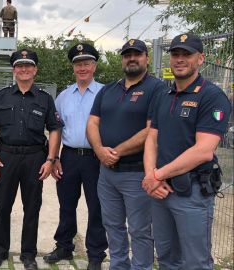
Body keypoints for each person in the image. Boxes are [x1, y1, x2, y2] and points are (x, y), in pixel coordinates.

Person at [143, 33, 231, 270]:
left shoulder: (212, 96)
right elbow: (152, 138)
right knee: (166, 257)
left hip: (192, 192)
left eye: (186, 54)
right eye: (175, 54)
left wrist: (156, 175)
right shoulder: (163, 94)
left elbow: (203, 151)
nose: (180, 59)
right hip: (161, 191)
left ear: (201, 58)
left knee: (195, 262)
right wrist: (151, 175)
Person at [86, 39, 165, 269]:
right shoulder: (108, 90)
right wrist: (100, 151)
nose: (131, 58)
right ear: (122, 59)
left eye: (137, 54)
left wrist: (116, 152)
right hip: (107, 173)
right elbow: (92, 123)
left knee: (140, 230)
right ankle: (118, 265)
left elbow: (153, 130)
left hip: (137, 173)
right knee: (113, 226)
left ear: (146, 58)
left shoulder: (156, 88)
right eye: (127, 54)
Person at [0, 49, 62, 270]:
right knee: (1, 206)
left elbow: (55, 130)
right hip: (6, 157)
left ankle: (28, 254)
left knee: (32, 207)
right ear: (14, 70)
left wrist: (50, 159)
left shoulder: (45, 99)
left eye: (28, 65)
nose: (24, 69)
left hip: (34, 158)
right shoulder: (2, 96)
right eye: (19, 66)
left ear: (35, 70)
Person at [44, 43, 107, 270]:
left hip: (96, 158)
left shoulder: (105, 93)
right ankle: (64, 246)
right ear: (73, 67)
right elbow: (57, 129)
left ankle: (96, 254)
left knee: (96, 206)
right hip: (69, 157)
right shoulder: (63, 96)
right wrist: (55, 158)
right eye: (78, 64)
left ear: (94, 66)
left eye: (86, 63)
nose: (82, 68)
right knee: (66, 204)